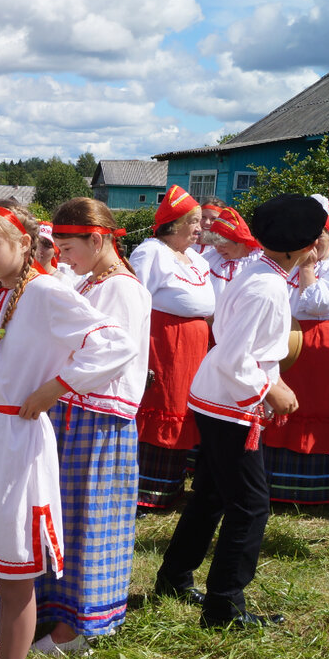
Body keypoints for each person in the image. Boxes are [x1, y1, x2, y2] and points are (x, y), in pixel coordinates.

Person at [0, 202, 134, 659]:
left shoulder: (48, 291)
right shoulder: (3, 294)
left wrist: (57, 386)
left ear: (25, 242)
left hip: (18, 442)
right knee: (1, 563)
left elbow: (115, 342)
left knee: (16, 571)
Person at [155, 194, 321, 629]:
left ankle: (174, 576)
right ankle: (224, 606)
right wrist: (272, 388)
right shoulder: (266, 286)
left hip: (219, 398)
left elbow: (238, 344)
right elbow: (234, 356)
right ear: (300, 246)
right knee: (250, 506)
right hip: (231, 404)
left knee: (211, 494)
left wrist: (270, 376)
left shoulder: (259, 271)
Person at [34, 199, 151, 655]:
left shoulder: (122, 289)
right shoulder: (92, 281)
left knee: (90, 517)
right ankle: (60, 611)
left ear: (97, 239)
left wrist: (56, 384)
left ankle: (80, 626)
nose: (63, 256)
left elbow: (109, 356)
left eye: (68, 246)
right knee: (69, 513)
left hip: (99, 415)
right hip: (77, 407)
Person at [130, 185, 214, 511]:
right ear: (174, 223)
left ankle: (171, 487)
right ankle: (146, 491)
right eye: (193, 221)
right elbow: (135, 300)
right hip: (162, 346)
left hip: (192, 348)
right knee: (163, 405)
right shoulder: (151, 252)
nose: (199, 228)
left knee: (182, 408)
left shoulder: (195, 258)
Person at [262, 197, 329, 504]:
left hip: (321, 349)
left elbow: (320, 304)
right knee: (283, 406)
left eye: (321, 235)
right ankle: (276, 486)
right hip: (289, 344)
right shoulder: (288, 262)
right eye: (311, 234)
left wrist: (308, 269)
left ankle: (316, 490)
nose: (315, 241)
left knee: (316, 410)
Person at [201, 207, 261, 300]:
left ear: (240, 242)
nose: (218, 251)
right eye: (215, 246)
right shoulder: (210, 258)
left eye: (222, 246)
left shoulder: (259, 262)